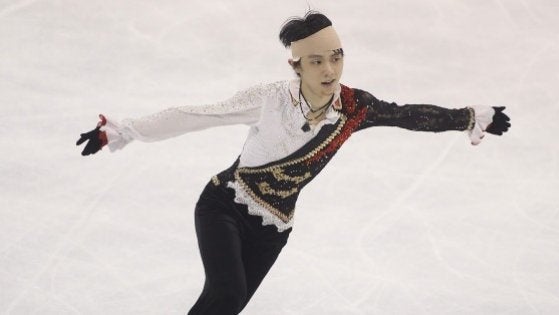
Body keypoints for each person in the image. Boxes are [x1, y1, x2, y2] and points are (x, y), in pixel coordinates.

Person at [76, 10, 510, 315]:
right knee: (226, 294)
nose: (329, 70)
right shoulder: (269, 100)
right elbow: (198, 115)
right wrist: (122, 130)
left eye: (336, 56)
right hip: (225, 205)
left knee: (224, 306)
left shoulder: (355, 108)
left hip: (274, 230)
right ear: (296, 64)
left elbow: (410, 115)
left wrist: (470, 118)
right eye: (317, 61)